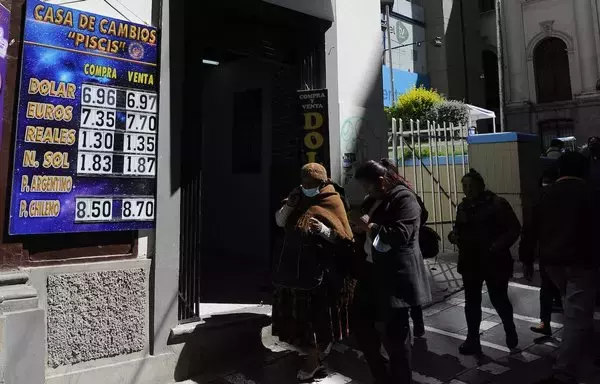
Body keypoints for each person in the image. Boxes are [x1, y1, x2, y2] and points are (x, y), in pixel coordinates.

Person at [351, 159, 432, 384]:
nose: (365, 191)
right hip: (370, 272)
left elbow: (399, 235)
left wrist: (370, 226)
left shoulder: (405, 198)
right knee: (360, 324)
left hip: (394, 278)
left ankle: (400, 379)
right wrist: (360, 228)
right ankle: (382, 374)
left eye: (367, 186)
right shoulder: (374, 199)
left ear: (380, 181)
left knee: (395, 338)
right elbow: (367, 223)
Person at [520, 152, 598, 384]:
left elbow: (530, 228)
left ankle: (591, 353)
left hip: (551, 262)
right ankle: (564, 371)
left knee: (575, 309)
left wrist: (526, 259)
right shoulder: (590, 194)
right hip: (581, 262)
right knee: (577, 315)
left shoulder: (546, 194)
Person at [272, 163, 354, 381]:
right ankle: (310, 353)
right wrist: (289, 205)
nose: (306, 186)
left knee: (318, 318)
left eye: (311, 184)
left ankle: (316, 357)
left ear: (322, 182)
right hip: (293, 270)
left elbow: (344, 238)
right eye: (304, 182)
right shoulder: (297, 196)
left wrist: (325, 231)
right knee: (300, 319)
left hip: (319, 273)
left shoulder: (332, 199)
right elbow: (280, 221)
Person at [448, 169, 521, 355]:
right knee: (471, 302)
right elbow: (458, 229)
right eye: (464, 186)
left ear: (481, 186)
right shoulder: (463, 207)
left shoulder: (497, 204)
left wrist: (497, 245)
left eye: (471, 186)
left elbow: (514, 229)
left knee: (499, 299)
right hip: (470, 261)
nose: (467, 189)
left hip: (494, 261)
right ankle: (472, 339)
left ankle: (509, 327)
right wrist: (454, 236)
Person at [520, 167, 562, 337]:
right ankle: (547, 320)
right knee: (552, 288)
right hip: (559, 252)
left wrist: (527, 260)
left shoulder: (541, 198)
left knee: (548, 287)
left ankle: (546, 321)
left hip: (550, 251)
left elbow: (529, 230)